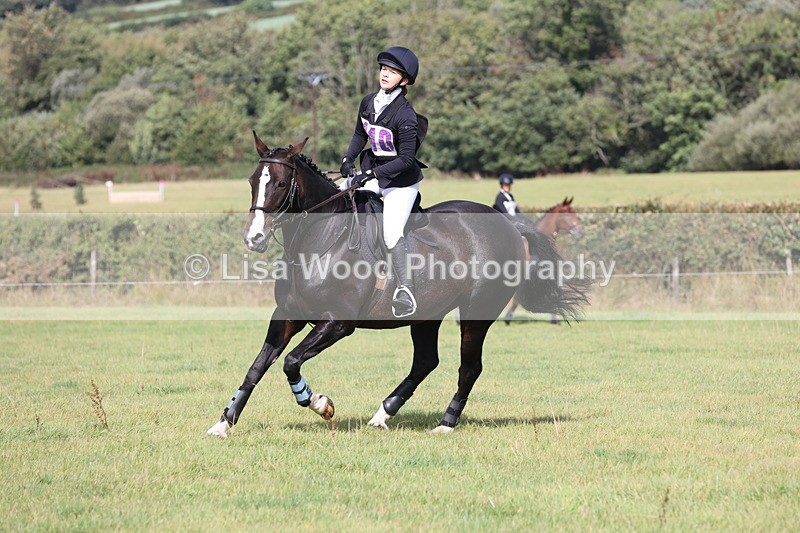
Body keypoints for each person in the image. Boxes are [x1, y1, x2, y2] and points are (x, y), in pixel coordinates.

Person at [339, 46, 423, 318]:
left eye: (393, 71)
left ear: (405, 80)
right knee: (339, 198)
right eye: (383, 69)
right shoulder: (368, 102)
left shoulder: (405, 115)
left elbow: (407, 159)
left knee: (391, 231)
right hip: (372, 172)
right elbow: (358, 135)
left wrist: (372, 175)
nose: (385, 74)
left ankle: (406, 290)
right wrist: (348, 158)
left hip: (400, 182)